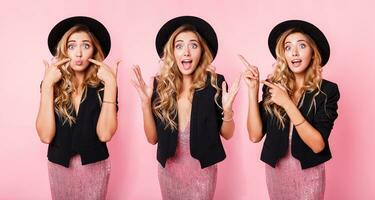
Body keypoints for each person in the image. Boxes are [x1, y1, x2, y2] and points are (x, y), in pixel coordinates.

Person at [132, 16, 240, 200]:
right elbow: (152, 139)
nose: (186, 52)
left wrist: (228, 111)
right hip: (169, 174)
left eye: (193, 45)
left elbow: (228, 134)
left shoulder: (215, 84)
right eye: (179, 45)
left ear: (202, 51)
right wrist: (144, 104)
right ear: (172, 52)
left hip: (203, 173)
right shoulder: (161, 86)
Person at [242, 20, 340, 199]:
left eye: (301, 45)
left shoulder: (327, 91)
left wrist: (287, 103)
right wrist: (252, 91)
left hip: (309, 174)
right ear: (283, 55)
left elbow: (318, 145)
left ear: (312, 52)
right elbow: (255, 136)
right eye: (288, 47)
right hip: (277, 173)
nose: (294, 52)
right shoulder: (273, 87)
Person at [36, 16, 119, 200]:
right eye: (71, 46)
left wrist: (112, 84)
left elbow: (105, 134)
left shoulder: (104, 86)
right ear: (64, 51)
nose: (79, 53)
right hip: (59, 168)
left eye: (86, 46)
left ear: (94, 51)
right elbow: (45, 135)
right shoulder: (51, 84)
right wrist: (48, 86)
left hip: (95, 168)